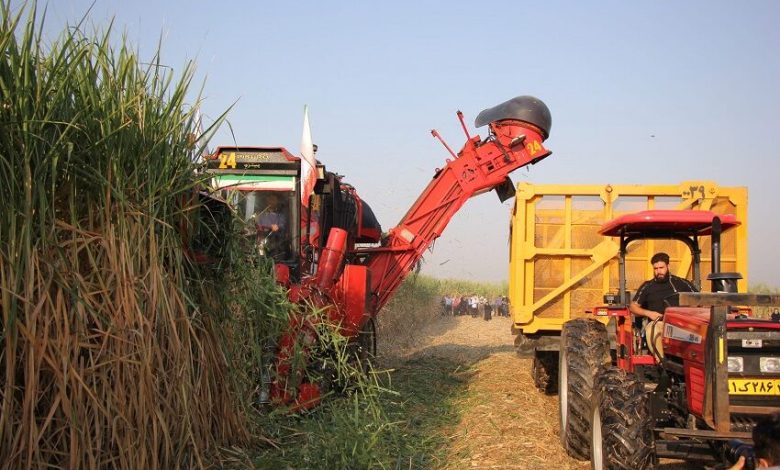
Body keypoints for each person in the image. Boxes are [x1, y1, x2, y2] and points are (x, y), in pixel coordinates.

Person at [629, 252, 697, 358]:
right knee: (652, 330)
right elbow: (633, 307)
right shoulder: (647, 286)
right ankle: (662, 363)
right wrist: (649, 313)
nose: (658, 271)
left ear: (668, 266)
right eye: (655, 268)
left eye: (661, 267)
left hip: (682, 324)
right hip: (659, 323)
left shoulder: (682, 283)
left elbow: (700, 301)